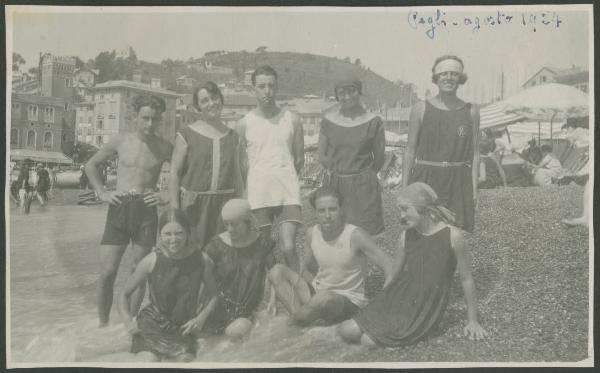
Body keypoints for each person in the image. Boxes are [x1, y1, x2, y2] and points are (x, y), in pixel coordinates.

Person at [337, 182, 488, 346]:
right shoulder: (405, 237)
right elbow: (394, 275)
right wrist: (380, 302)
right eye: (399, 210)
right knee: (347, 330)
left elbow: (467, 280)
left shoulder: (453, 236)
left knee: (367, 341)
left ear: (424, 209)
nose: (401, 216)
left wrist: (473, 320)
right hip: (400, 296)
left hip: (424, 307)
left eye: (405, 209)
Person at [86, 94, 173, 327]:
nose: (150, 124)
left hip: (146, 210)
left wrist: (165, 196)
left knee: (139, 270)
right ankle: (102, 324)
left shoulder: (165, 147)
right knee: (107, 272)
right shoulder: (120, 141)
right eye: (145, 118)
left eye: (155, 119)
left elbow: (183, 176)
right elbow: (91, 165)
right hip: (120, 207)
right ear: (135, 117)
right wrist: (102, 193)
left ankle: (131, 323)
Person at [268, 187, 393, 327]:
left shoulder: (355, 236)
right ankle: (301, 321)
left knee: (323, 297)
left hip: (347, 300)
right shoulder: (312, 233)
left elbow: (389, 266)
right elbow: (309, 268)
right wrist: (276, 295)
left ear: (341, 209)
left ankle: (291, 324)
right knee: (276, 271)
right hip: (319, 293)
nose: (327, 215)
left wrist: (384, 299)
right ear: (315, 212)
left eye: (332, 209)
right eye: (321, 211)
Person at [117, 208, 218, 362]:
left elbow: (214, 296)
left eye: (179, 233)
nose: (173, 239)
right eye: (167, 234)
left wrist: (201, 318)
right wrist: (127, 321)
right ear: (160, 235)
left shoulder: (202, 260)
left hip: (184, 327)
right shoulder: (151, 260)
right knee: (148, 362)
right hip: (152, 324)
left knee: (184, 362)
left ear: (187, 233)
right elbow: (123, 294)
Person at [235, 66, 304, 272]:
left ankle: (298, 292)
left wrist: (284, 175)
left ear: (277, 87)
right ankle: (274, 294)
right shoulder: (243, 124)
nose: (267, 91)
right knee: (263, 248)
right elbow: (241, 165)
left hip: (287, 191)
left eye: (271, 86)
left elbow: (299, 159)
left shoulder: (292, 120)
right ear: (253, 89)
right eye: (262, 86)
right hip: (258, 192)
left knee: (288, 246)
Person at [403, 55, 480, 233]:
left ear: (460, 78)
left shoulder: (471, 111)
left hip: (458, 181)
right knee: (423, 233)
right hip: (426, 178)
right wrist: (405, 187)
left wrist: (474, 188)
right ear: (436, 78)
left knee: (455, 235)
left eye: (454, 74)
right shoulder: (420, 109)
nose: (448, 78)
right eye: (444, 73)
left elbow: (475, 153)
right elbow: (409, 151)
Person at [170, 81, 244, 249]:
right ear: (198, 107)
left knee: (224, 255)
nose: (211, 104)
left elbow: (239, 176)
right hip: (194, 206)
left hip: (226, 205)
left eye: (214, 98)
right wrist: (174, 209)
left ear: (221, 100)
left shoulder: (234, 137)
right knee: (193, 255)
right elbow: (174, 173)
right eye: (205, 101)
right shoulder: (186, 134)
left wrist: (241, 206)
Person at [318, 76, 386, 235]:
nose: (347, 97)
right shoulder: (328, 121)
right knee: (336, 234)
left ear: (359, 92)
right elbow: (321, 155)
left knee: (365, 236)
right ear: (336, 96)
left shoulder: (374, 121)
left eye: (351, 91)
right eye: (342, 93)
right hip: (335, 186)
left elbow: (379, 158)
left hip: (364, 188)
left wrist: (364, 177)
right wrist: (338, 173)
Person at [203, 199, 277, 339]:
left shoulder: (262, 242)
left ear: (247, 221)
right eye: (226, 224)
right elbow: (202, 278)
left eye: (235, 224)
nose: (230, 229)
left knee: (236, 332)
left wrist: (273, 299)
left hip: (248, 309)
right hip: (219, 307)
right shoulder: (216, 245)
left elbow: (274, 272)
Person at [561, 117, 590, 227]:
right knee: (589, 182)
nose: (565, 135)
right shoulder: (583, 132)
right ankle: (586, 216)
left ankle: (586, 217)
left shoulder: (578, 131)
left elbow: (572, 138)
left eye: (566, 131)